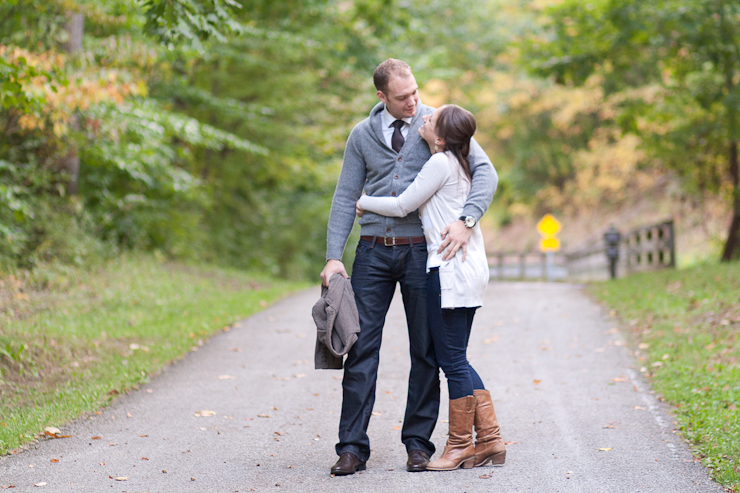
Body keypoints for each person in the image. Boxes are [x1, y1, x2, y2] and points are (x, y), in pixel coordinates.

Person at [320, 58, 498, 476]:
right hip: (372, 252)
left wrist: (467, 220)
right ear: (381, 96)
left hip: (422, 253)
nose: (413, 102)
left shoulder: (437, 123)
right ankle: (351, 448)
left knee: (426, 350)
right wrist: (333, 256)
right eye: (402, 98)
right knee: (360, 348)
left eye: (415, 92)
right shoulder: (362, 135)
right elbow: (346, 196)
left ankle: (418, 445)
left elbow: (486, 174)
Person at [356, 104, 505, 471]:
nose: (424, 115)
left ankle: (460, 447)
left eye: (431, 120)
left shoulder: (440, 163)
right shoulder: (460, 160)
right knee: (455, 357)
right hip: (466, 267)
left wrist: (361, 201)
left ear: (439, 138)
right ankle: (489, 440)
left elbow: (404, 203)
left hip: (449, 270)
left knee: (451, 359)